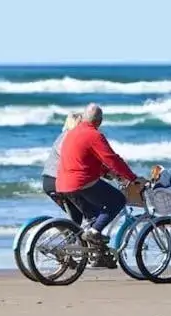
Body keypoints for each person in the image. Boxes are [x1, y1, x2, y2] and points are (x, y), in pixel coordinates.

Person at [56, 103, 144, 244]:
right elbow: (111, 159)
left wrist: (110, 174)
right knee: (118, 200)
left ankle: (96, 254)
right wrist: (132, 178)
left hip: (63, 184)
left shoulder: (72, 133)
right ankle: (95, 232)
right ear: (100, 121)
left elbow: (87, 160)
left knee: (96, 216)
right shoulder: (94, 135)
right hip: (81, 183)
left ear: (84, 118)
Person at [40, 112, 84, 225]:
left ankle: (72, 236)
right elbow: (71, 158)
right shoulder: (70, 137)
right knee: (89, 209)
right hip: (59, 181)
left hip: (48, 181)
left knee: (76, 216)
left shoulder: (62, 136)